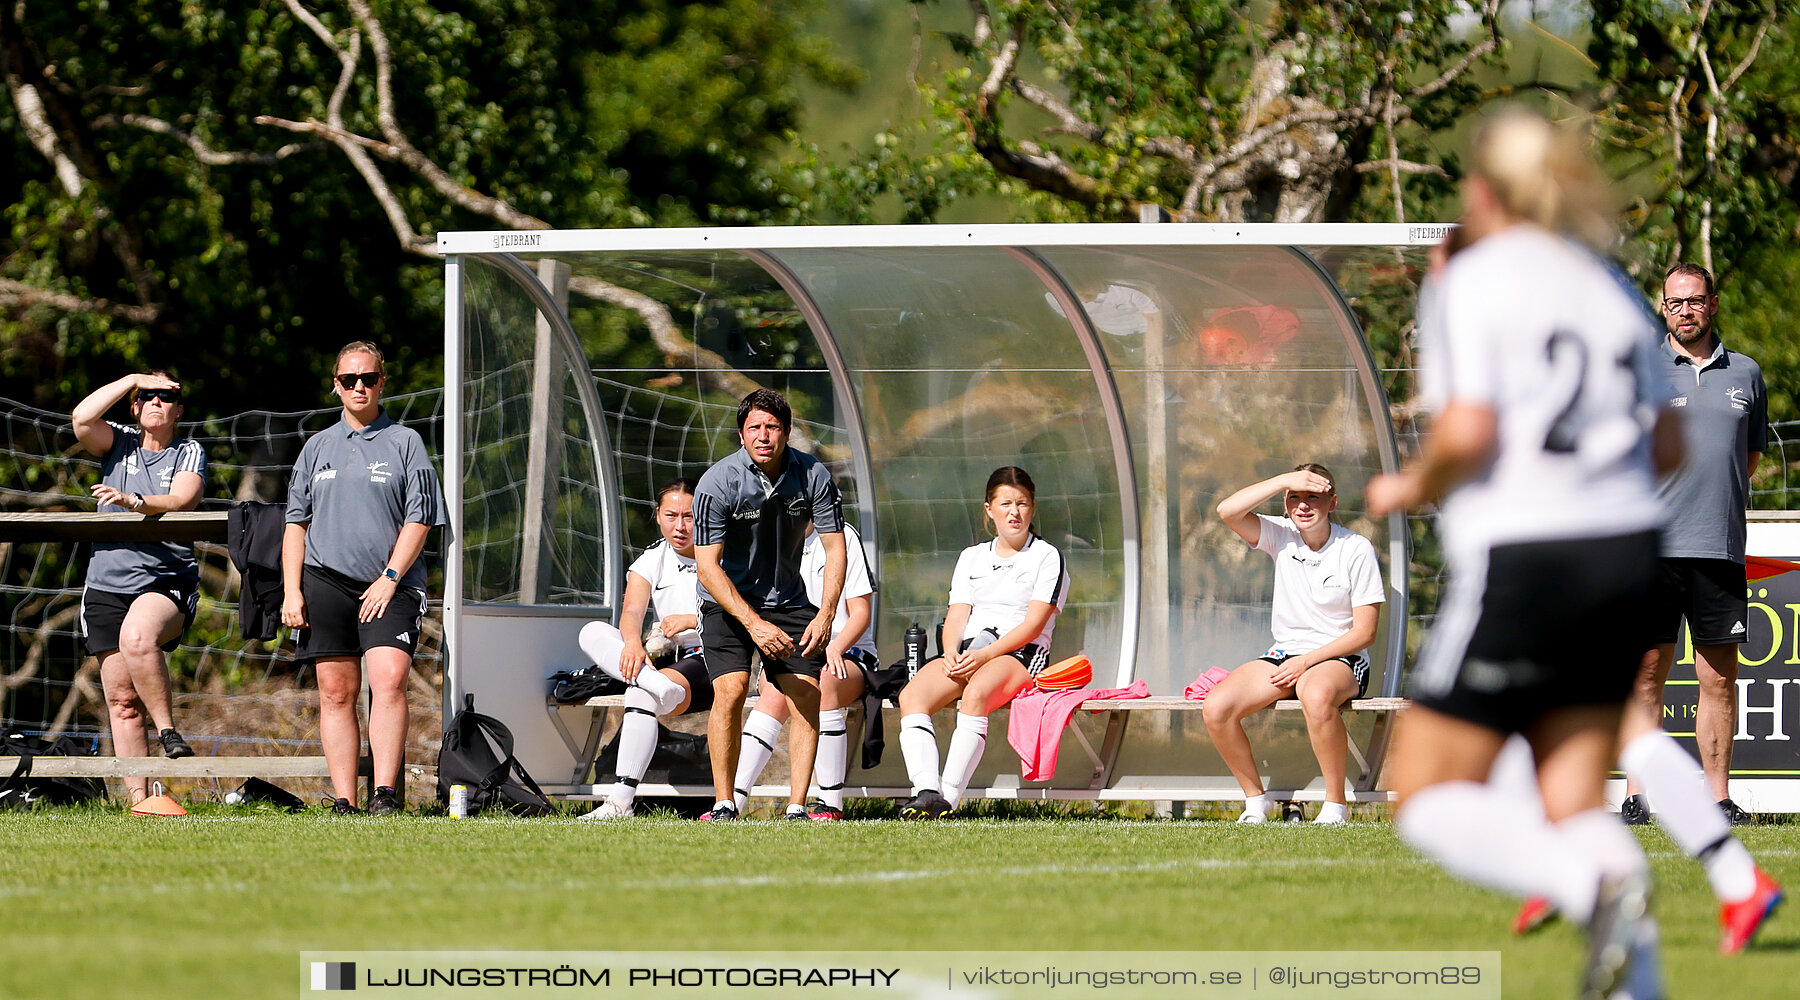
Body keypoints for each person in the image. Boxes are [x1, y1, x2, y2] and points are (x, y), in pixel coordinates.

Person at [1366, 108, 1679, 1000]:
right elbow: (1669, 448)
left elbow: (1470, 429)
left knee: (1422, 795)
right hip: (1629, 551)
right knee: (1573, 795)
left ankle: (1593, 888)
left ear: (1481, 191)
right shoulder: (1609, 283)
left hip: (1531, 557)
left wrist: (1411, 486)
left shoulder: (1476, 277)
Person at [1623, 262, 1768, 826]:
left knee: (1718, 680)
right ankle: (1638, 796)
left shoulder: (1748, 374)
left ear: (1713, 304)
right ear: (1664, 308)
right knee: (1645, 676)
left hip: (1720, 551)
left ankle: (1717, 799)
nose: (1685, 309)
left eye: (1696, 299)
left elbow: (1747, 460)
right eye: (1675, 301)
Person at [281, 342, 446, 815]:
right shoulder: (317, 447)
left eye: (368, 378)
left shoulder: (405, 442)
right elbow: (296, 522)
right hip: (324, 580)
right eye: (349, 379)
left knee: (390, 679)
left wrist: (391, 577)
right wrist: (293, 590)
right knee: (336, 691)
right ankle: (343, 801)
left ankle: (387, 794)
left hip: (389, 583)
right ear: (335, 385)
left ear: (382, 382)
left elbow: (420, 518)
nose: (359, 387)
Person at [691, 389, 846, 822]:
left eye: (773, 427)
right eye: (755, 428)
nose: (764, 436)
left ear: (787, 433)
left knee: (806, 692)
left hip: (789, 599)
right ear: (741, 435)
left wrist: (826, 613)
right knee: (732, 689)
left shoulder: (813, 474)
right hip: (727, 602)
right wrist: (754, 624)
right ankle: (724, 804)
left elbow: (836, 549)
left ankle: (797, 806)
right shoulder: (717, 482)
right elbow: (708, 568)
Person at [1207, 464, 1384, 825]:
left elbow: (1364, 633)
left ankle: (1335, 807)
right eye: (1294, 498)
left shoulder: (1356, 548)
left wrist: (1307, 662)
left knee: (1315, 693)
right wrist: (1283, 480)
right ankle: (1257, 802)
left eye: (1313, 497)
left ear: (1332, 502)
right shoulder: (1281, 534)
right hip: (1284, 655)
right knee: (1216, 708)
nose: (1303, 506)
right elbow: (1226, 511)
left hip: (1340, 659)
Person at [896, 466, 1069, 819]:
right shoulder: (972, 556)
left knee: (975, 694)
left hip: (1019, 654)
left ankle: (948, 799)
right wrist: (949, 654)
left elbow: (1034, 625)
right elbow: (957, 615)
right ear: (988, 509)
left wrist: (986, 654)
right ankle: (925, 791)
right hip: (973, 650)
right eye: (1005, 503)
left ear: (1032, 508)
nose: (1014, 512)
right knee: (911, 695)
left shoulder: (1046, 557)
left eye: (1022, 504)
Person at [71, 371, 206, 805]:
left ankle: (168, 730)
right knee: (121, 699)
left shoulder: (188, 450)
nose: (156, 402)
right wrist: (131, 377)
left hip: (164, 579)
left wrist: (136, 503)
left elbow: (183, 499)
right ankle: (140, 802)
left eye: (167, 396)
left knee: (137, 636)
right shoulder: (118, 442)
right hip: (106, 584)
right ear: (134, 406)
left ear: (179, 409)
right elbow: (81, 418)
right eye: (146, 396)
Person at [573, 478, 711, 819]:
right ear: (658, 516)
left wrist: (692, 620)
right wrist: (634, 644)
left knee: (638, 695)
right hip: (661, 665)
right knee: (592, 631)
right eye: (671, 515)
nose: (680, 526)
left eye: (689, 516)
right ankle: (654, 682)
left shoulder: (720, 552)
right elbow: (632, 612)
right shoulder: (652, 558)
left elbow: (745, 614)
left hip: (711, 660)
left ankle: (620, 803)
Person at [731, 519, 877, 820]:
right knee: (772, 694)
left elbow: (861, 613)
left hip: (848, 653)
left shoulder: (843, 534)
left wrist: (835, 647)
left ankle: (830, 803)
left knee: (823, 682)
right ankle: (732, 802)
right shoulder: (769, 539)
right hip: (796, 653)